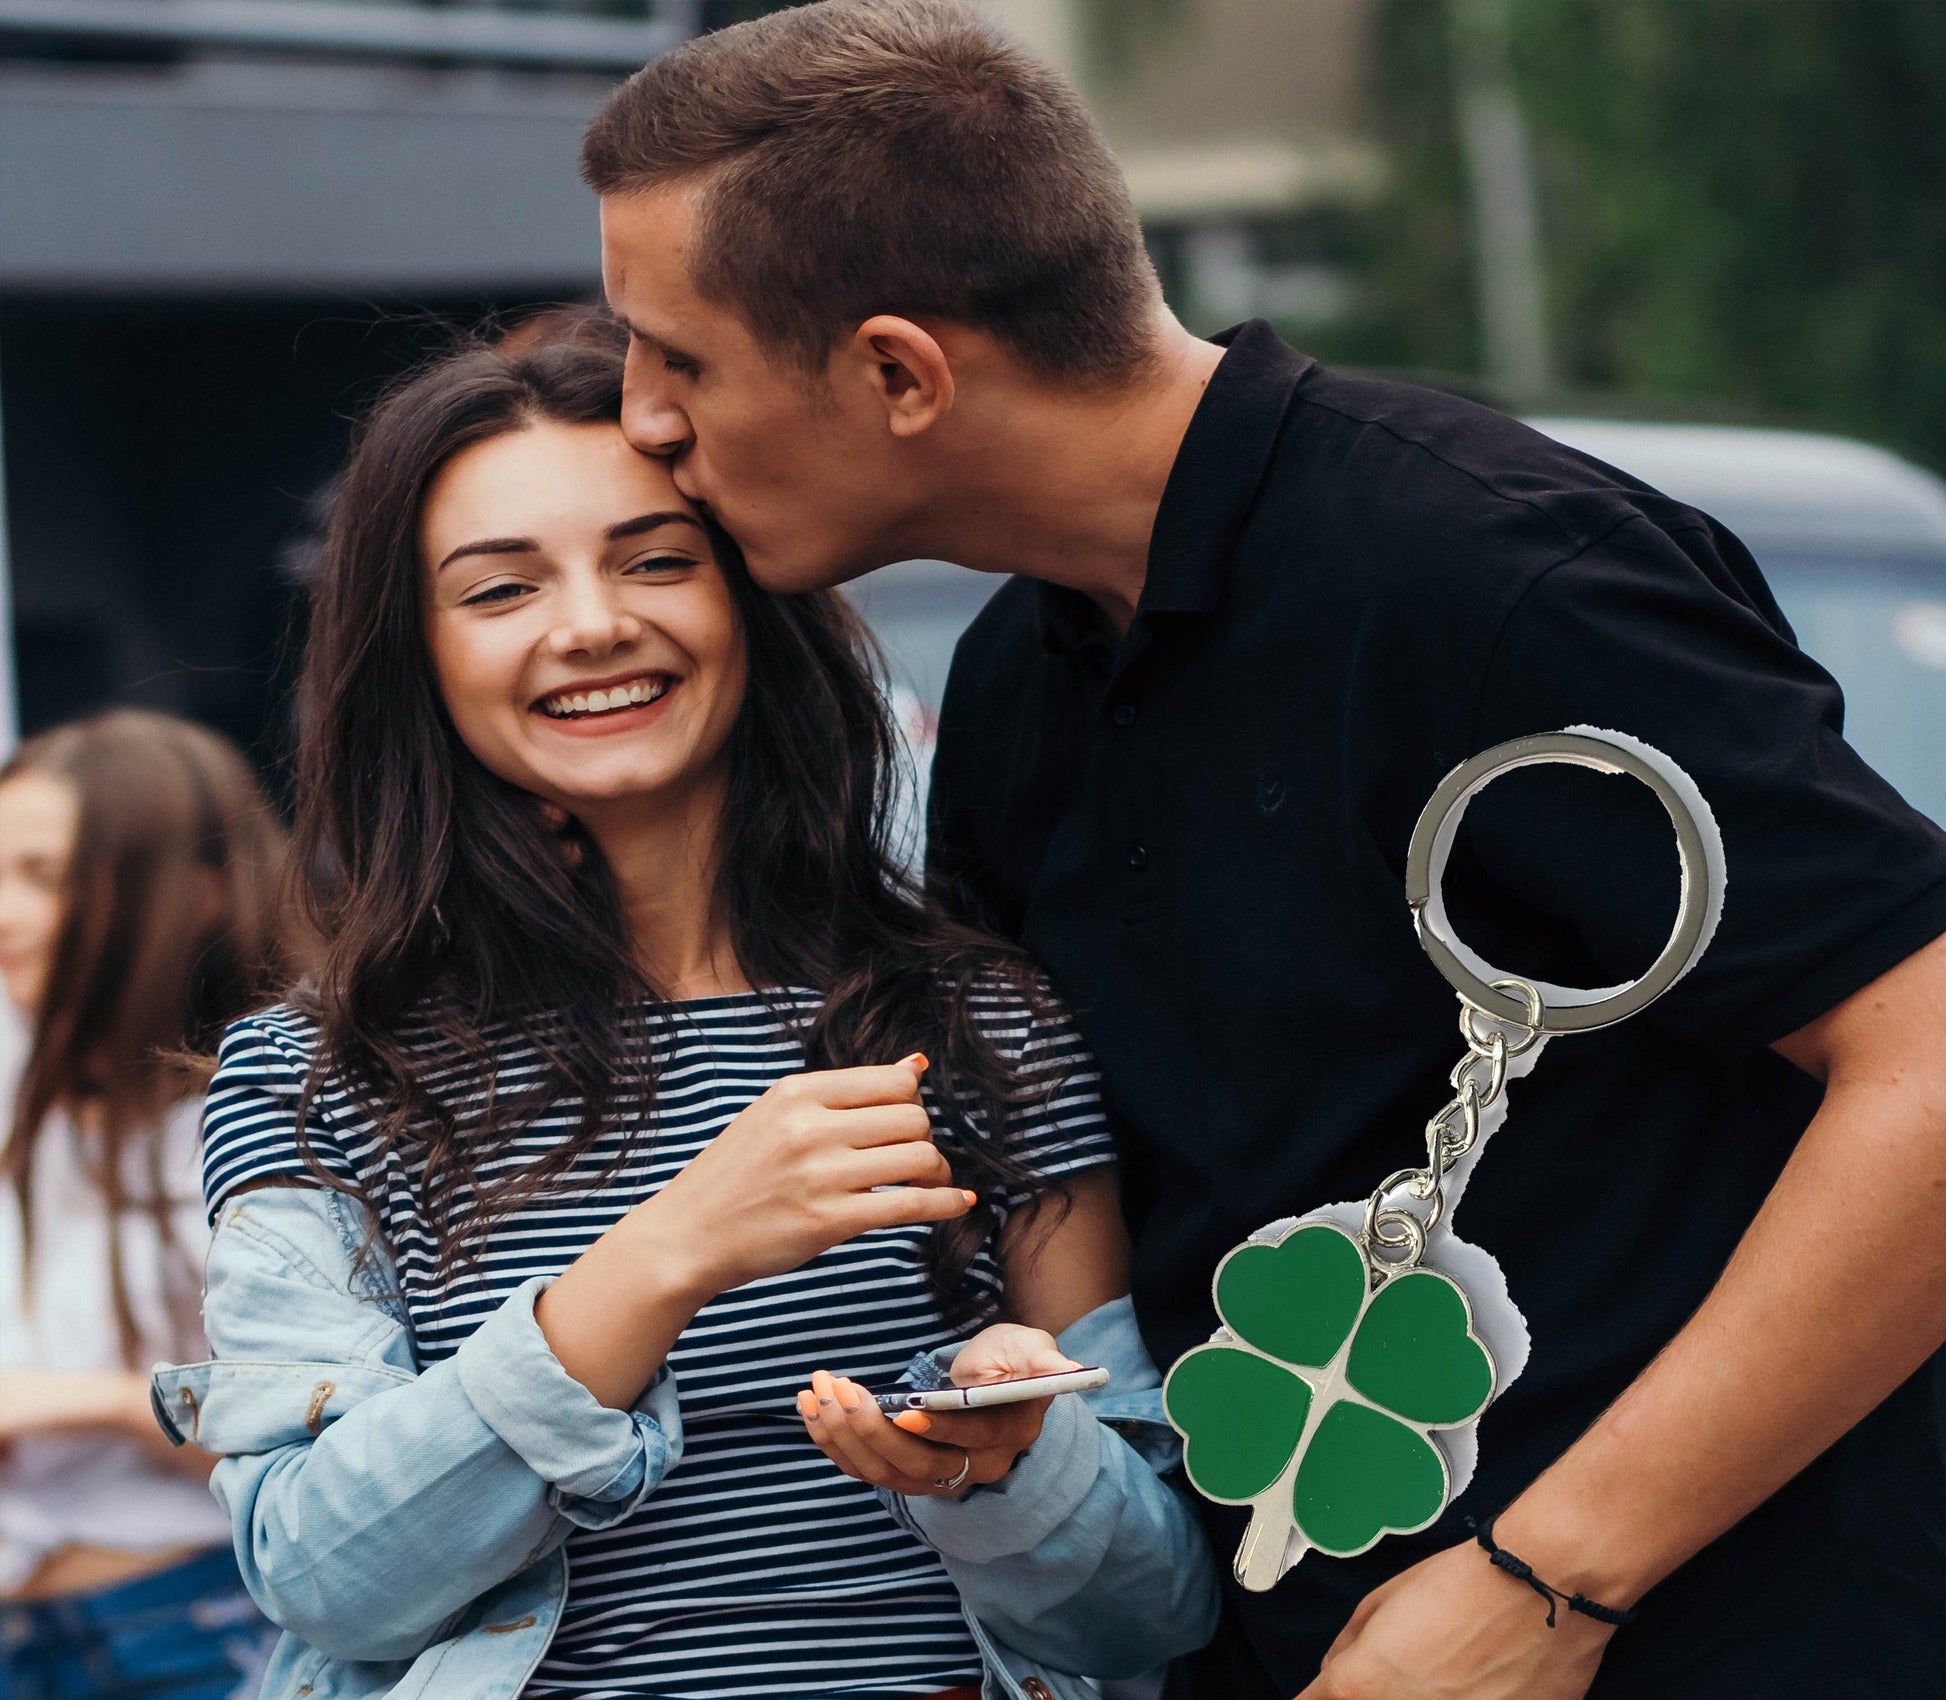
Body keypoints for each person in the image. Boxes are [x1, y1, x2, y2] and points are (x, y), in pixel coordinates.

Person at [580, 4, 1946, 1697]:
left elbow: (1930, 1058)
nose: (641, 418)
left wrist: (1555, 1577)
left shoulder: (1484, 575)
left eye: (675, 358)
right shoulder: (1020, 676)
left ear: (896, 372)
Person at [153, 319, 1217, 1700]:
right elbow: (321, 1578)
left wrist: (1012, 1462)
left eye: (656, 559)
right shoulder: (316, 1073)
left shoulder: (974, 1019)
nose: (593, 623)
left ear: (749, 600)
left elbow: (1154, 1614)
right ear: (415, 659)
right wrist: (663, 1255)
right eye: (499, 591)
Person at [0, 709, 295, 1699]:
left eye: (42, 875)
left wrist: (93, 1402)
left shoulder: (259, 1124)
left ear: (196, 892)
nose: (4, 909)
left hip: (193, 1630)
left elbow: (331, 1445)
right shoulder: (21, 1091)